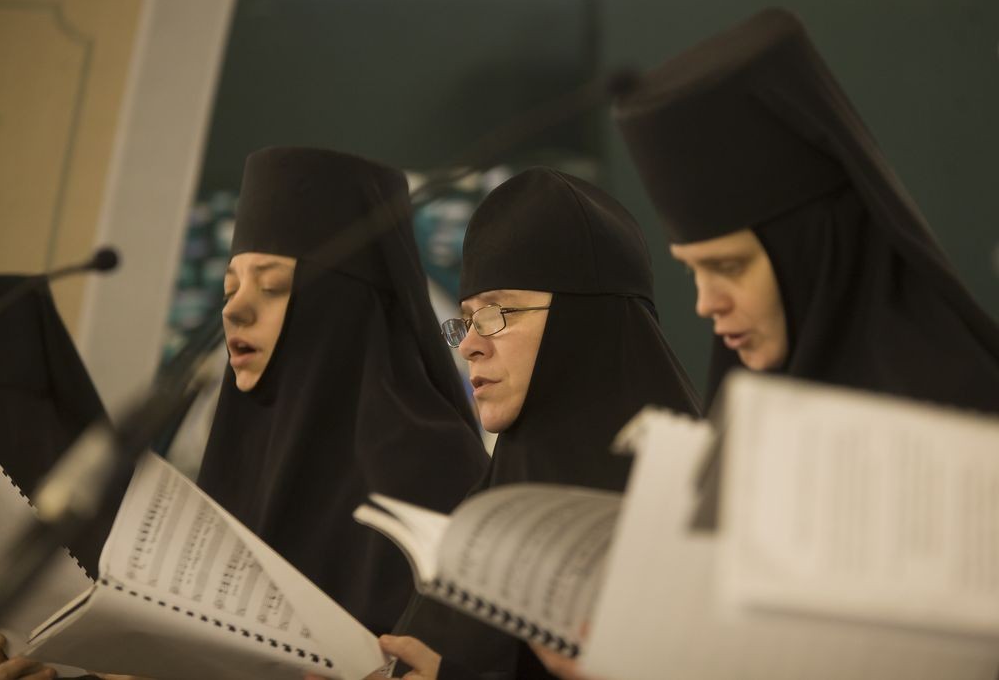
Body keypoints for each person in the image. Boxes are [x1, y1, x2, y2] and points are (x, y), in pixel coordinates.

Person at [377, 167, 703, 679]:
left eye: (498, 312)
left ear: (582, 323)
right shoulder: (492, 499)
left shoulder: (687, 501)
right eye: (467, 318)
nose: (469, 344)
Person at [613, 8, 999, 413]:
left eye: (728, 266)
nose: (705, 304)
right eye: (692, 270)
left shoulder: (957, 417)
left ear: (814, 253)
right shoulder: (740, 410)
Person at [197, 147, 489, 636]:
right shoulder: (238, 453)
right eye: (230, 289)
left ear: (341, 306)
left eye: (272, 287)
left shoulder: (431, 467)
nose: (234, 310)